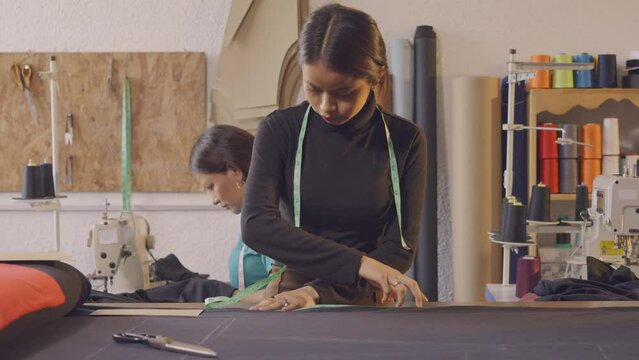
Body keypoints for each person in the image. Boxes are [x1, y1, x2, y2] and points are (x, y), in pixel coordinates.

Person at [241, 3, 428, 311]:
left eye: (343, 92)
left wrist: (317, 292)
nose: (326, 106)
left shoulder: (405, 140)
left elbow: (400, 248)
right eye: (313, 89)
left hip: (366, 289)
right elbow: (256, 224)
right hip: (293, 288)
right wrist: (358, 263)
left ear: (376, 77)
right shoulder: (280, 130)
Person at [189, 125, 275, 299]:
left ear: (235, 170)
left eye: (211, 186)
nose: (213, 199)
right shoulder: (252, 219)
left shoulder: (269, 221)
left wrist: (229, 296)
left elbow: (283, 293)